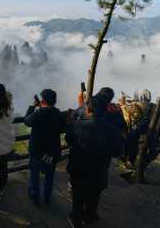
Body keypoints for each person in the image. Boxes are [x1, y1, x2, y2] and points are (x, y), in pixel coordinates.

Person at [66, 95, 123, 228]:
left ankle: (76, 219)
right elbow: (116, 152)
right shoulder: (113, 130)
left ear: (88, 110)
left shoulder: (77, 126)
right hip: (99, 170)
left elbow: (69, 140)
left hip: (79, 169)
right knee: (94, 194)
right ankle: (90, 216)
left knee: (78, 196)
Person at [25, 89, 66, 207]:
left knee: (35, 174)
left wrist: (33, 107)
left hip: (37, 151)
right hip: (52, 152)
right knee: (49, 175)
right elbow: (63, 129)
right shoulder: (58, 114)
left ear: (42, 101)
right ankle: (47, 197)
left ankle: (35, 196)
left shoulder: (39, 113)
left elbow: (27, 121)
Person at [120, 89, 155, 167]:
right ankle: (137, 162)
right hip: (146, 130)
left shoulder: (132, 106)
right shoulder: (153, 106)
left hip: (134, 131)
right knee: (138, 148)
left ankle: (128, 161)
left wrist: (122, 104)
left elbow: (126, 117)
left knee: (130, 146)